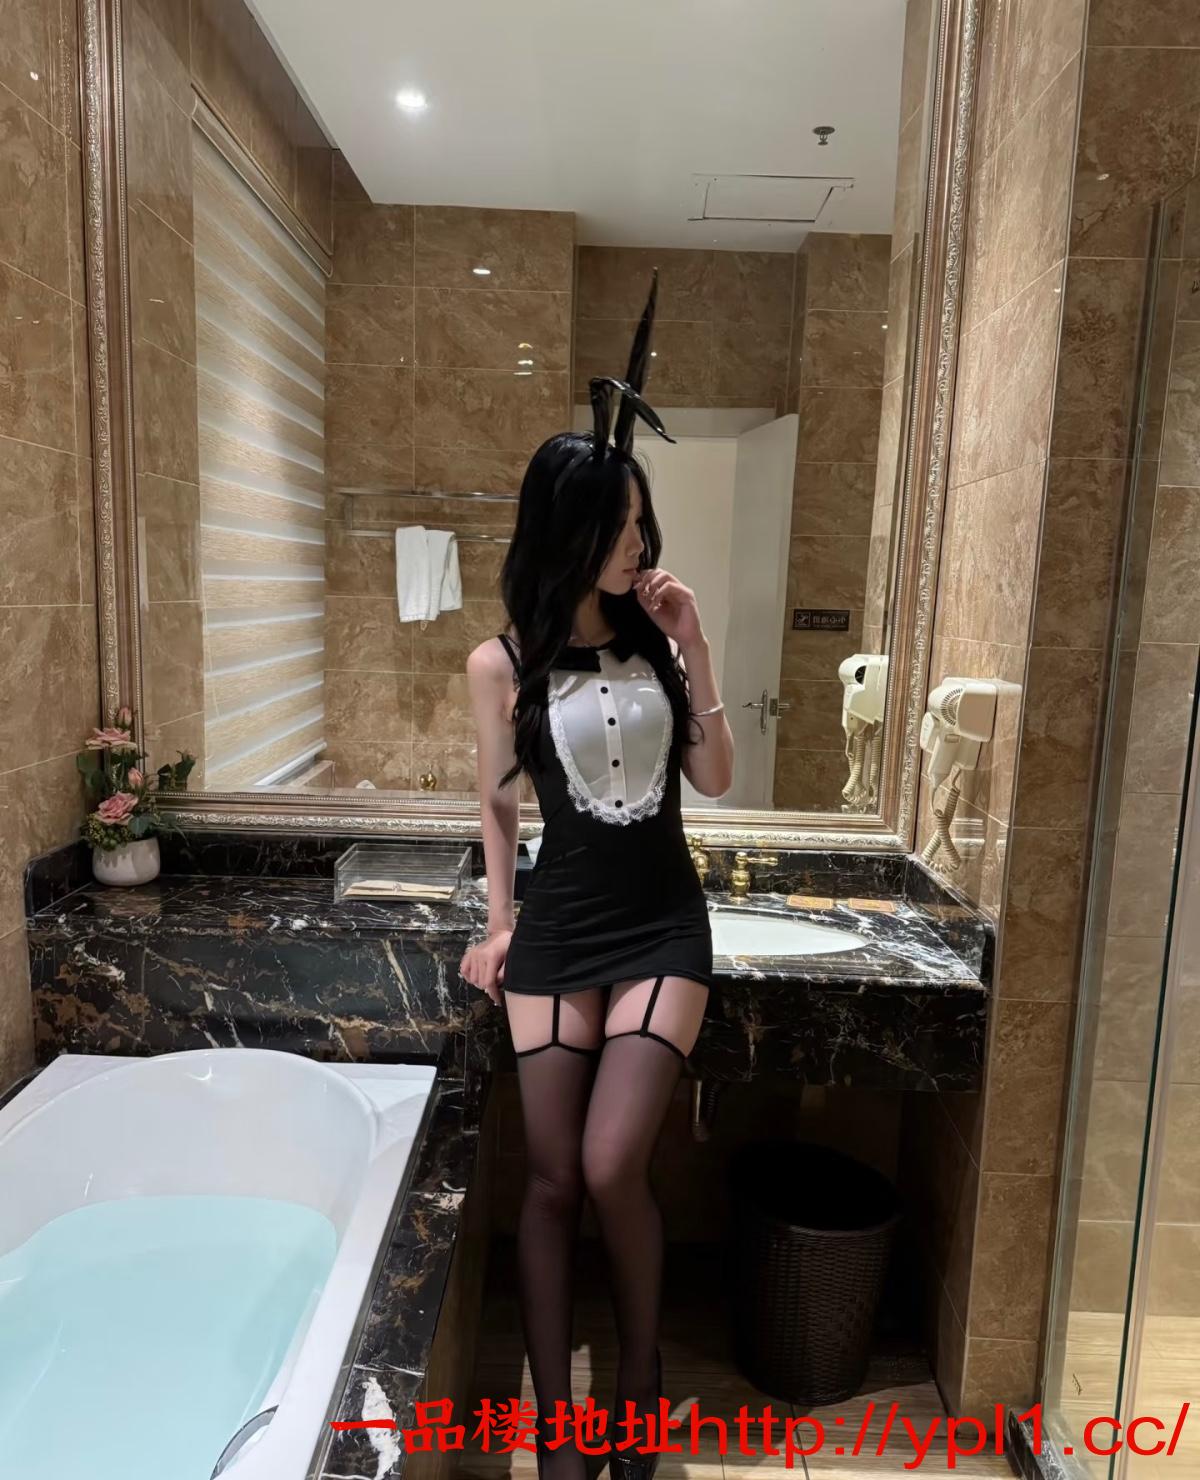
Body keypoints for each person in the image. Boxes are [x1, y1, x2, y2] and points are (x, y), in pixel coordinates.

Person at [459, 274, 735, 1480]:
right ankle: (554, 1424)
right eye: (622, 526)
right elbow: (497, 800)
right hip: (561, 925)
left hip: (664, 923)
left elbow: (714, 778)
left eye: (641, 523)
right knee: (554, 1180)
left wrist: (697, 645)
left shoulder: (659, 641)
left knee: (617, 1161)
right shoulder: (502, 662)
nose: (640, 544)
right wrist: (499, 922)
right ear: (568, 529)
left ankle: (637, 1381)